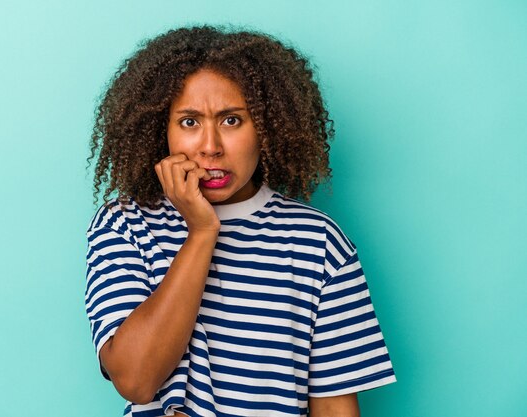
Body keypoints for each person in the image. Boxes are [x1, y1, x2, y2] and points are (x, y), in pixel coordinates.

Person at [84, 25, 396, 417]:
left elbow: (335, 408)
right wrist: (201, 232)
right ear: (159, 131)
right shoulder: (124, 225)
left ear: (266, 128)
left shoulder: (318, 243)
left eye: (232, 120)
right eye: (189, 122)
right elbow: (134, 379)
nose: (211, 146)